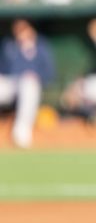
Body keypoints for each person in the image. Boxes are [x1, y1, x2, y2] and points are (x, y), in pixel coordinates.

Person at [0, 20, 55, 148]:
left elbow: (49, 73)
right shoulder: (9, 45)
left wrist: (34, 75)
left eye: (23, 29)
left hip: (31, 86)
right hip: (11, 84)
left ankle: (21, 134)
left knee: (29, 83)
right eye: (18, 30)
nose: (20, 33)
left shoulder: (41, 47)